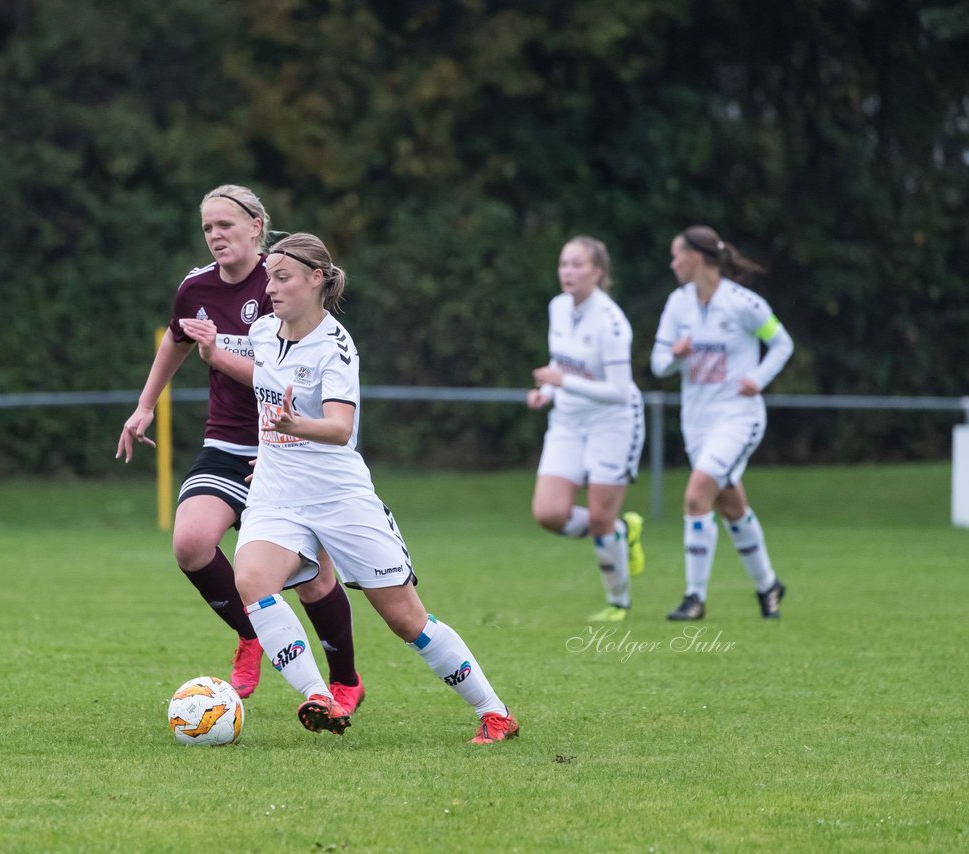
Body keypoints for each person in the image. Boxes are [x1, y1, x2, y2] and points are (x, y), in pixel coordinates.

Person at [180, 232, 519, 744]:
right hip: (277, 496)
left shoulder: (335, 347)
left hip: (341, 499)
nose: (270, 287)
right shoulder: (267, 329)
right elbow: (257, 368)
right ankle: (320, 697)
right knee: (252, 581)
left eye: (282, 277)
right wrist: (210, 347)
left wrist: (295, 427)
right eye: (268, 276)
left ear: (317, 279)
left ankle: (495, 713)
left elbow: (339, 427)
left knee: (407, 621)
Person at [116, 186, 365, 712]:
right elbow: (175, 340)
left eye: (226, 225)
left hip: (290, 448)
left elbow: (281, 373)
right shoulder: (196, 287)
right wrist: (145, 405)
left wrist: (218, 355)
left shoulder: (284, 281)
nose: (215, 236)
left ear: (257, 226)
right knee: (190, 542)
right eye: (207, 228)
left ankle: (344, 679)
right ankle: (251, 633)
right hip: (227, 441)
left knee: (315, 581)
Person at [650, 225, 794, 620]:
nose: (672, 263)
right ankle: (769, 587)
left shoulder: (743, 303)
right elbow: (658, 364)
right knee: (731, 506)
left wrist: (758, 378)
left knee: (697, 495)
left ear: (694, 259)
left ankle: (694, 598)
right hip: (696, 423)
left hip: (738, 418)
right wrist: (676, 354)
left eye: (676, 255)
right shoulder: (678, 305)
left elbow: (782, 342)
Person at [527, 236, 646, 622]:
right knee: (548, 513)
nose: (568, 272)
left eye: (578, 265)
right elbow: (560, 362)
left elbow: (619, 391)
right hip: (567, 420)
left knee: (599, 519)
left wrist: (561, 383)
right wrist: (546, 391)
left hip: (613, 422)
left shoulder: (611, 322)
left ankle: (619, 601)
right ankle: (620, 534)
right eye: (564, 264)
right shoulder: (558, 308)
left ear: (598, 272)